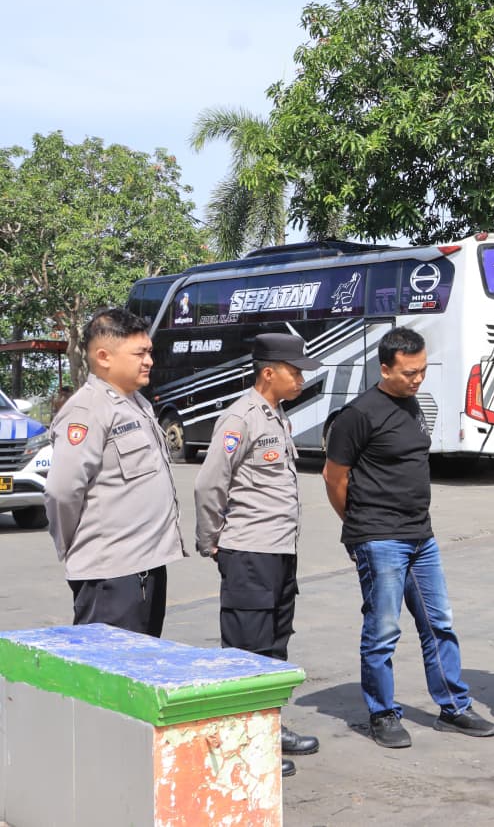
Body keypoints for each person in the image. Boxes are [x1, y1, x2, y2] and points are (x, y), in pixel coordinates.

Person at [321, 326, 494, 748]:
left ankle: (453, 707)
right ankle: (382, 713)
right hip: (380, 538)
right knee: (383, 630)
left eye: (422, 371)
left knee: (439, 624)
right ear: (385, 369)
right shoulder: (358, 415)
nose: (417, 379)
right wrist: (361, 527)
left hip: (421, 535)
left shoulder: (413, 403)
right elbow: (334, 477)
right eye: (408, 373)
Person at [194, 333, 323, 779]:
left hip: (279, 551)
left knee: (273, 648)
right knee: (245, 652)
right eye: (295, 371)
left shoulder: (277, 415)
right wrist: (210, 539)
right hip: (249, 552)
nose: (301, 379)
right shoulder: (240, 418)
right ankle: (240, 744)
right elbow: (209, 484)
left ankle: (269, 728)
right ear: (269, 372)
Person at [44, 308, 185, 637]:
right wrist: (76, 546)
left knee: (142, 664)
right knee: (108, 667)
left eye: (149, 352)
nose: (148, 361)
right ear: (104, 357)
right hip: (111, 575)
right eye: (139, 353)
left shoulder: (137, 403)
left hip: (145, 567)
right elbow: (62, 492)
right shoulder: (88, 410)